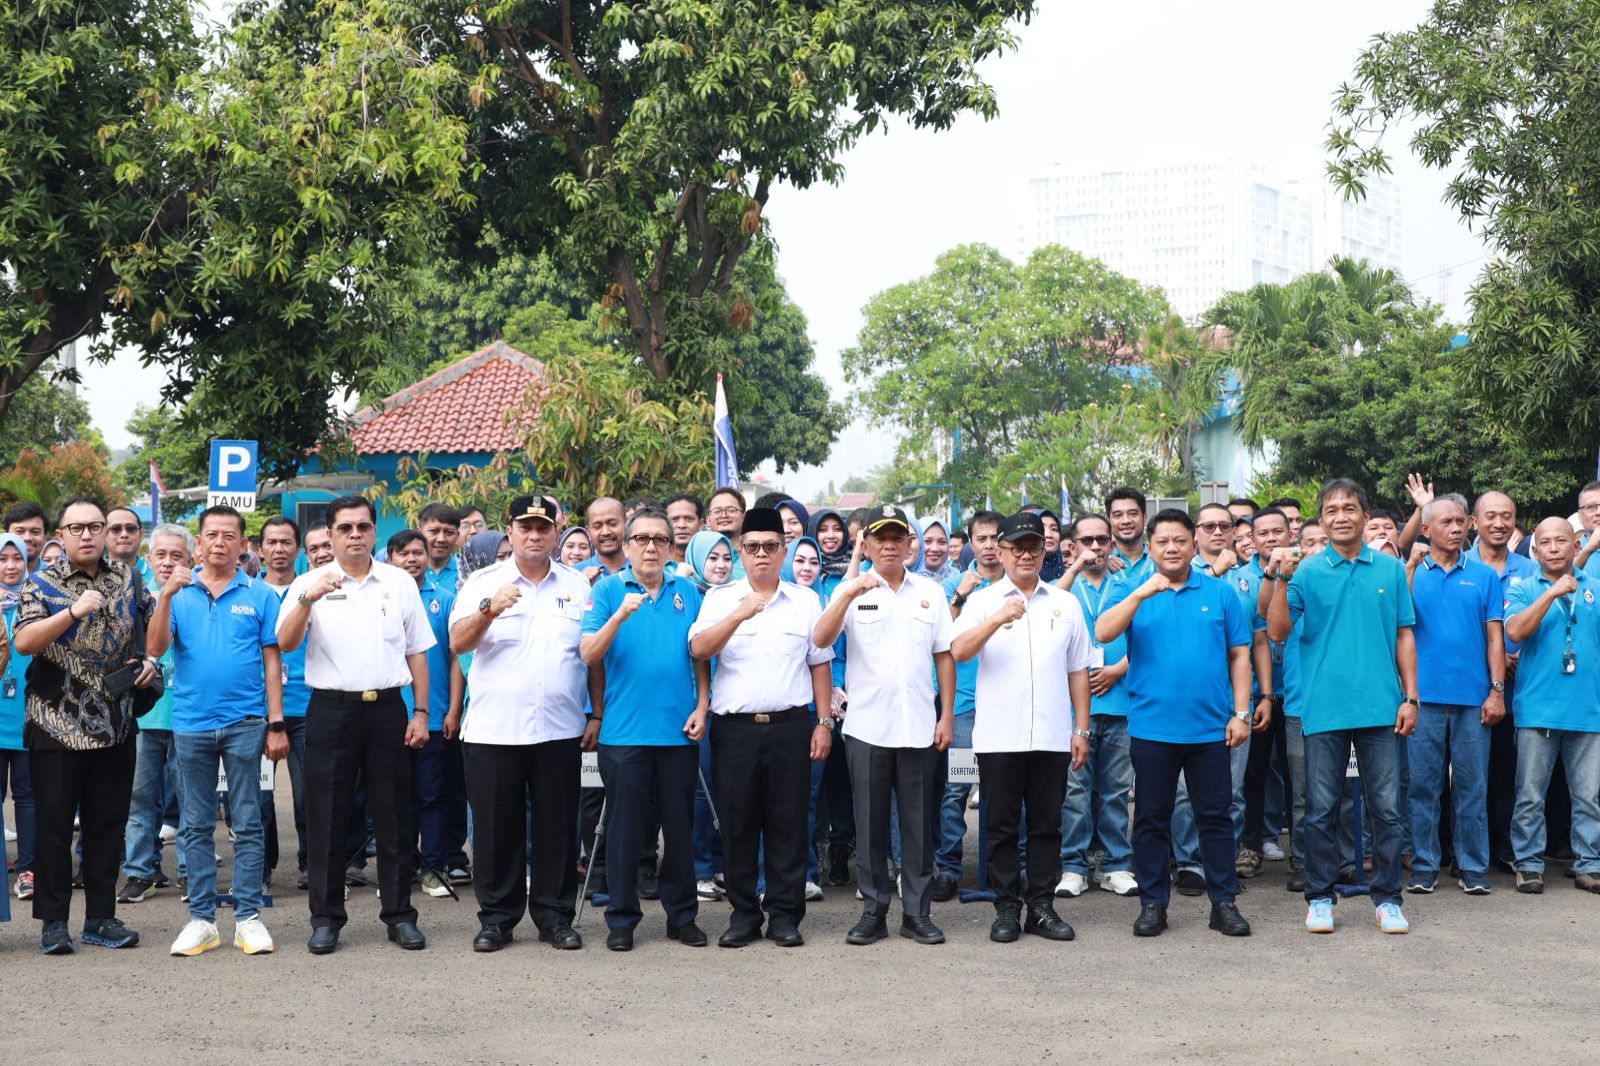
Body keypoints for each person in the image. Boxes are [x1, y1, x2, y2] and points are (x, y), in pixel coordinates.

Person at [277, 495, 434, 955]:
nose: (355, 535)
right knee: (327, 817)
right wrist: (308, 600)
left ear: (373, 531)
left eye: (363, 527)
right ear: (330, 534)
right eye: (345, 528)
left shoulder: (398, 582)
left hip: (387, 709)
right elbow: (286, 643)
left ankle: (400, 915)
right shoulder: (308, 582)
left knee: (394, 816)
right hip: (332, 710)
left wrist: (421, 712)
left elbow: (417, 650)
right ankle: (326, 919)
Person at [1096, 509, 1256, 938]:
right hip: (1152, 729)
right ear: (1150, 548)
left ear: (1194, 544)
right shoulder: (1130, 588)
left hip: (1210, 728)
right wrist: (1140, 594)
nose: (1172, 548)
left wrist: (1241, 713)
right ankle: (1153, 904)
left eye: (1180, 540)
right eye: (1163, 541)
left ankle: (1223, 903)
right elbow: (1104, 632)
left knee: (1215, 817)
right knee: (1151, 818)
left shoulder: (1220, 592)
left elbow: (1239, 653)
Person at [1267, 478, 1417, 935]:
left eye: (1350, 508)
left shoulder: (1390, 569)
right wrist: (1282, 577)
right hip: (1324, 707)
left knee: (1387, 810)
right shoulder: (1307, 572)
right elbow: (1277, 631)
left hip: (1381, 707)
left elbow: (1404, 634)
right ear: (1321, 520)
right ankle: (1320, 897)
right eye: (1331, 510)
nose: (1341, 517)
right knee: (1320, 810)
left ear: (1365, 515)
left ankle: (1388, 899)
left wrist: (1411, 697)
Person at [13, 497, 158, 954]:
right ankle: (54, 923)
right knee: (55, 830)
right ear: (62, 534)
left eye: (96, 526)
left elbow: (155, 627)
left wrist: (152, 659)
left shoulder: (129, 578)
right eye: (77, 528)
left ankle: (101, 918)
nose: (88, 535)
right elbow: (23, 641)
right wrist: (72, 612)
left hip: (116, 725)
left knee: (107, 827)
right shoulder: (40, 583)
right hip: (55, 726)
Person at [450, 494, 592, 952]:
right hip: (495, 730)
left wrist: (596, 714)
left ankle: (555, 917)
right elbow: (458, 642)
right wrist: (489, 609)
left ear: (556, 533)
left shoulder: (577, 585)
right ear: (509, 531)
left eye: (543, 528)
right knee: (496, 830)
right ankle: (497, 919)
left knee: (558, 828)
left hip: (559, 729)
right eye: (525, 527)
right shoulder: (483, 583)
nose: (534, 536)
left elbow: (592, 655)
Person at [688, 507, 833, 948]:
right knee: (738, 825)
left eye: (771, 546)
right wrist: (738, 615)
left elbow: (819, 663)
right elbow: (699, 649)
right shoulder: (720, 598)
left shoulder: (805, 601)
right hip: (735, 730)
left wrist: (823, 722)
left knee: (789, 823)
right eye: (752, 547)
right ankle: (744, 915)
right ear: (741, 552)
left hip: (791, 726)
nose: (762, 554)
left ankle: (785, 915)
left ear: (784, 550)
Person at [146, 505, 286, 956]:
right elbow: (155, 648)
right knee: (195, 824)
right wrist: (166, 596)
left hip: (247, 723)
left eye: (229, 535)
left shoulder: (260, 594)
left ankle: (248, 917)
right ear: (199, 544)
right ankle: (202, 919)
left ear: (243, 545)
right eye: (211, 535)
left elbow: (272, 662)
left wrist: (276, 723)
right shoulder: (178, 592)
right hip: (191, 725)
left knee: (247, 821)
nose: (220, 542)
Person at [813, 506, 954, 946]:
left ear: (910, 544)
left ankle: (917, 913)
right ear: (868, 544)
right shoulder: (850, 590)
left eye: (898, 537)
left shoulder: (930, 592)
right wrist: (849, 591)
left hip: (919, 726)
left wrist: (946, 716)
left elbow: (944, 655)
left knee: (917, 827)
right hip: (867, 728)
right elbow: (821, 639)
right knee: (870, 825)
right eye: (881, 538)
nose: (890, 545)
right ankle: (873, 911)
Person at [950, 512, 1092, 944]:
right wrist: (997, 618)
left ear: (1045, 550)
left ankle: (1042, 906)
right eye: (1017, 547)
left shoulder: (1065, 603)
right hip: (1000, 736)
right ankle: (1007, 906)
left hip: (1051, 735)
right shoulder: (983, 601)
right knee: (1001, 826)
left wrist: (1081, 729)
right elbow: (959, 650)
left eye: (1034, 546)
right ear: (1002, 551)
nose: (1026, 555)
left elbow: (1078, 670)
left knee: (1047, 825)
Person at [580, 507, 711, 950]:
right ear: (627, 545)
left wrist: (703, 705)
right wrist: (619, 616)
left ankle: (682, 916)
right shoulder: (606, 590)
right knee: (624, 832)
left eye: (660, 539)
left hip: (678, 732)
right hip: (623, 734)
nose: (651, 547)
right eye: (641, 539)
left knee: (679, 829)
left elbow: (700, 655)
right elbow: (589, 654)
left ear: (672, 547)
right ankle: (621, 919)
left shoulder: (688, 591)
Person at [1404, 492, 1505, 895]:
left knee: (1472, 786)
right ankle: (1425, 864)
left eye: (1461, 521)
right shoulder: (1411, 572)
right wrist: (1410, 566)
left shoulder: (1483, 575)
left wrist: (1496, 691)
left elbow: (1495, 637)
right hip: (1422, 697)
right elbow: (1396, 622)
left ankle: (1472, 866)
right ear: (1426, 529)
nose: (1456, 528)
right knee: (1423, 786)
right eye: (1446, 522)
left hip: (1473, 697)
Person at [1502, 518, 1600, 894]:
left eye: (1562, 540)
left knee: (1588, 797)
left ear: (1576, 546)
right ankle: (1528, 863)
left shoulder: (1595, 588)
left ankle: (1589, 863)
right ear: (1536, 549)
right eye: (1546, 542)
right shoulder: (1522, 588)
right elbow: (1514, 632)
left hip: (1588, 710)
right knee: (1530, 795)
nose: (1555, 548)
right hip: (1537, 710)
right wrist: (1552, 594)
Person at [1056, 514, 1138, 898]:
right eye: (1086, 540)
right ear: (1072, 545)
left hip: (1120, 703)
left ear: (1111, 544)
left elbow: (1148, 638)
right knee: (1075, 792)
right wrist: (1074, 567)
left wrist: (1119, 670)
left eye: (1102, 540)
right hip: (1074, 708)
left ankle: (1115, 864)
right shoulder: (1063, 589)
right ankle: (1073, 865)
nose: (1095, 547)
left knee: (1116, 792)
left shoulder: (1128, 586)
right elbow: (1043, 615)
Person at [386, 531, 469, 897]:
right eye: (403, 553)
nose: (412, 559)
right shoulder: (381, 598)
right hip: (389, 716)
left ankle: (433, 868)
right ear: (390, 559)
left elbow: (456, 659)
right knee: (394, 799)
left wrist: (453, 709)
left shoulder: (446, 600)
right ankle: (400, 869)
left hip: (434, 718)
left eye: (417, 552)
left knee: (433, 795)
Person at [116, 525, 193, 906]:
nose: (167, 562)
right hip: (146, 715)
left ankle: (191, 871)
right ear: (149, 558)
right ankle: (139, 872)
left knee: (192, 799)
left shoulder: (199, 594)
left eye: (177, 556)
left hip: (191, 716)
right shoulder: (134, 595)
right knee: (140, 798)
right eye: (160, 555)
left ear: (190, 559)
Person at [1466, 491, 1542, 874]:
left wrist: (1517, 658)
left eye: (1507, 516)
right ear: (1474, 522)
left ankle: (1506, 849)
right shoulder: (1459, 564)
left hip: (1519, 692)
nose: (1499, 523)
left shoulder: (1530, 569)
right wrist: (1494, 660)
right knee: (1468, 777)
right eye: (1491, 516)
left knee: (1508, 774)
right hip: (1469, 691)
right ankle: (1464, 852)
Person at [933, 510, 1006, 900]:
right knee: (957, 789)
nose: (990, 545)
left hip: (1006, 704)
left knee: (1005, 789)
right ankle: (948, 868)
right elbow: (937, 637)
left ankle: (1003, 867)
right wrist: (960, 595)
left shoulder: (1017, 583)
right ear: (971, 544)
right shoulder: (952, 585)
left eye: (996, 538)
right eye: (982, 539)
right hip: (964, 705)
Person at [258, 516, 313, 889]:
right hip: (257, 711)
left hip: (307, 707)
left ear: (298, 549)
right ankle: (261, 868)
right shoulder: (249, 592)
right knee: (258, 798)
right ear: (260, 549)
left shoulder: (312, 590)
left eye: (286, 542)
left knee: (310, 796)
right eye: (272, 542)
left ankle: (312, 866)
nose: (279, 549)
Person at [0, 533, 34, 903]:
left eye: (17, 559)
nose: (10, 566)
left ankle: (28, 870)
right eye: (2, 558)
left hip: (28, 718)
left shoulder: (35, 602)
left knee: (27, 798)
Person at [1107, 487, 1152, 583]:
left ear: (1144, 518)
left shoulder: (1159, 560)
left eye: (1133, 514)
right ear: (1108, 522)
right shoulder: (1101, 565)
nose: (1126, 521)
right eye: (1118, 515)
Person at [417, 503, 463, 588]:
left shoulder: (467, 573)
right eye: (434, 531)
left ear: (457, 535)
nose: (441, 539)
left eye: (449, 532)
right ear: (419, 533)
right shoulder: (407, 573)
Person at [581, 497, 628, 578]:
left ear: (626, 524)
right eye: (597, 526)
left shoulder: (643, 569)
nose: (605, 532)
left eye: (613, 524)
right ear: (588, 532)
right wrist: (582, 582)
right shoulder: (575, 574)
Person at [104, 507, 151, 584]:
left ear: (141, 535)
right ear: (104, 535)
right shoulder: (90, 577)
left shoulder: (157, 577)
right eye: (116, 529)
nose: (124, 534)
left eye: (131, 528)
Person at [4, 503, 48, 572]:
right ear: (5, 535)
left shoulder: (56, 577)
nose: (27, 538)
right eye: (19, 531)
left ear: (45, 537)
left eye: (35, 532)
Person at [664, 493, 705, 566]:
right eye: (674, 519)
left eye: (689, 519)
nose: (681, 525)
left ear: (701, 523)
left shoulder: (713, 564)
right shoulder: (655, 565)